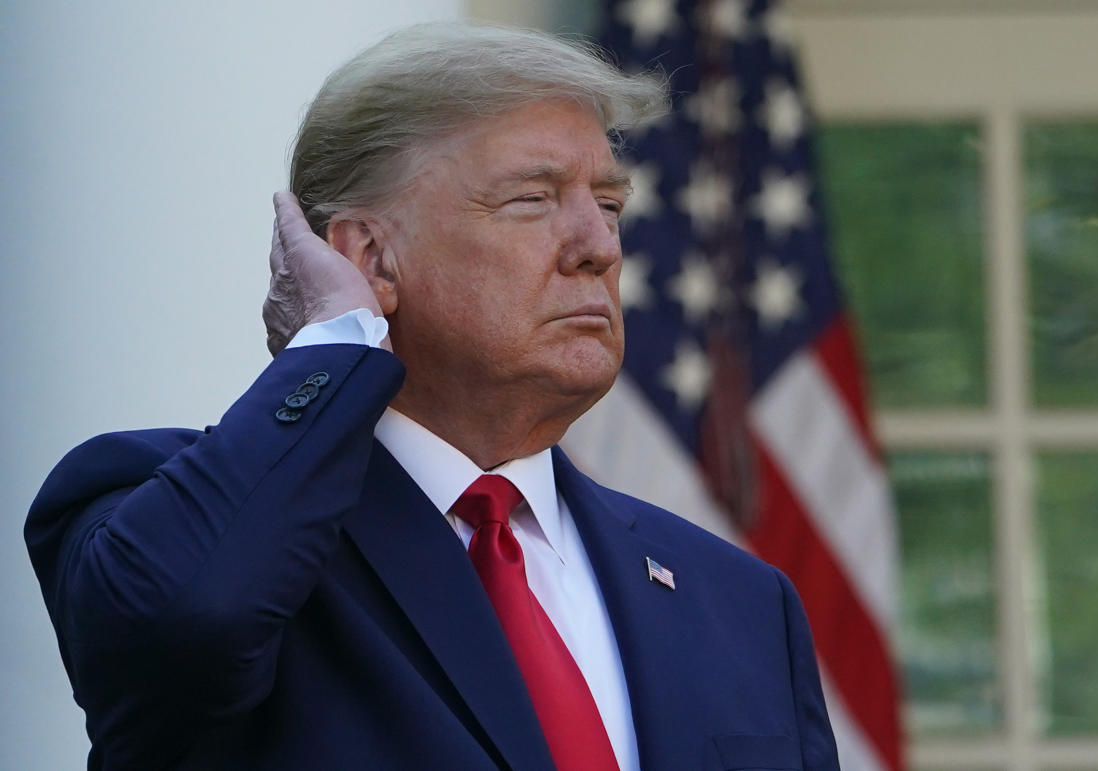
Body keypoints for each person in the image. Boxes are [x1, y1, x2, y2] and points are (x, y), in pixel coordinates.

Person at [26, 22, 840, 771]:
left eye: (610, 204)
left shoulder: (738, 599)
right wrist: (336, 342)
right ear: (370, 259)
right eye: (533, 199)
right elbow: (184, 621)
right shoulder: (165, 513)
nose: (599, 247)